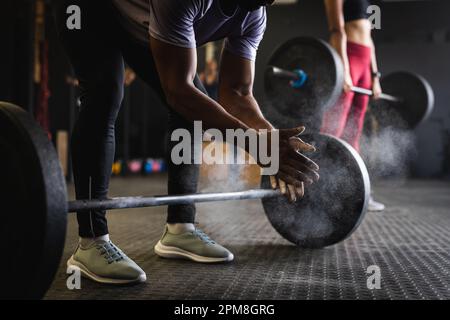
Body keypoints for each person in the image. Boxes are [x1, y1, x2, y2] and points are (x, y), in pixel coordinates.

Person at [52, 0, 320, 285]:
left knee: (196, 112)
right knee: (104, 95)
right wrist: (252, 144)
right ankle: (92, 241)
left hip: (142, 23)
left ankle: (180, 229)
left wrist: (269, 142)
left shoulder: (254, 15)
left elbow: (238, 93)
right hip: (90, 9)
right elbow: (178, 92)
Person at [320, 0, 385, 212]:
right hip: (347, 57)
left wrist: (375, 75)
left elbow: (370, 37)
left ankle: (357, 192)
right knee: (333, 129)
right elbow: (336, 29)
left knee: (354, 131)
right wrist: (344, 69)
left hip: (365, 61)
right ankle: (318, 188)